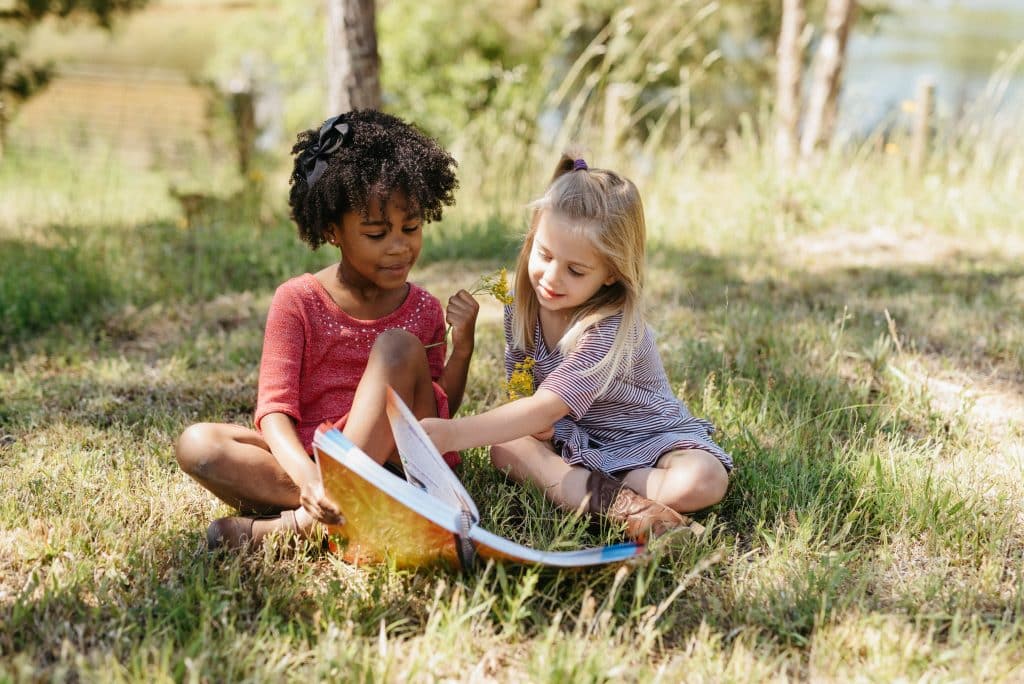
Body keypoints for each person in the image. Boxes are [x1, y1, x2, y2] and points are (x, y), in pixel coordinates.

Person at [175, 110, 478, 550]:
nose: (400, 246)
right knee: (198, 444)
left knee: (396, 347)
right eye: (376, 233)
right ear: (333, 231)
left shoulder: (423, 309)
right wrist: (311, 478)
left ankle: (295, 528)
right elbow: (274, 412)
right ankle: (347, 508)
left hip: (395, 467)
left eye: (410, 228)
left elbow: (432, 418)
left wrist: (463, 351)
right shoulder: (296, 300)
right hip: (313, 463)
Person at [421, 154, 731, 543]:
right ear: (533, 238)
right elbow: (525, 393)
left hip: (649, 440)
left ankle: (594, 491)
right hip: (576, 441)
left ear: (611, 274)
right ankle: (630, 510)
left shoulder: (610, 326)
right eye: (545, 255)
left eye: (575, 270)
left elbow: (548, 404)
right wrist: (540, 432)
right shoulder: (521, 307)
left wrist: (452, 433)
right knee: (505, 447)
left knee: (703, 480)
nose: (551, 278)